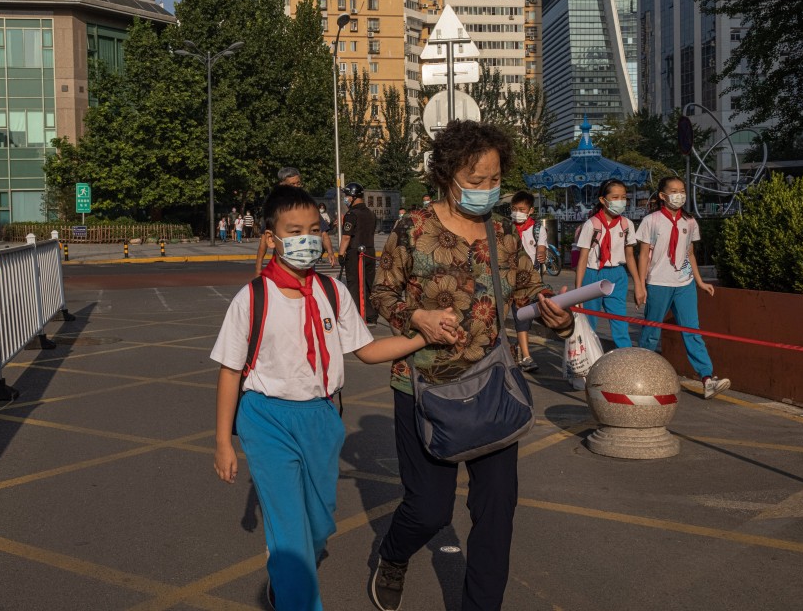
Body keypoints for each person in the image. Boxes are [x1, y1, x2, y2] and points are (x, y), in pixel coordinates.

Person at [211, 185, 457, 611]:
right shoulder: (251, 299)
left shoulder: (331, 293)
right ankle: (293, 586)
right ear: (271, 237)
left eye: (312, 229)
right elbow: (231, 371)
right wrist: (222, 442)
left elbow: (367, 351)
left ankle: (287, 572)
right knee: (291, 537)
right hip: (266, 419)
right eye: (294, 231)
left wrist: (421, 336)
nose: (306, 239)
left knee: (320, 523)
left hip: (323, 417)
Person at [369, 120, 575, 611]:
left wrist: (555, 314)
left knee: (497, 510)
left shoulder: (501, 231)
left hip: (491, 386)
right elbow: (382, 291)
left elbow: (527, 289)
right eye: (476, 180)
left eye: (495, 179)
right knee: (428, 510)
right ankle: (395, 554)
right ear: (446, 175)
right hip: (421, 386)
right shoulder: (412, 228)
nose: (488, 190)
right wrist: (415, 315)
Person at [636, 176, 731, 399]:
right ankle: (639, 374)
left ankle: (707, 378)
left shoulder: (689, 222)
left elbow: (689, 253)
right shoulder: (651, 221)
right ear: (662, 195)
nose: (679, 195)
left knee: (692, 330)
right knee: (651, 332)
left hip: (684, 283)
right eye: (674, 191)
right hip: (658, 282)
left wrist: (698, 281)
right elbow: (643, 255)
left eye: (682, 190)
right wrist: (640, 285)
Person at [574, 179, 641, 348]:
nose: (621, 201)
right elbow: (582, 259)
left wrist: (639, 284)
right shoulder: (591, 224)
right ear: (603, 200)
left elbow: (630, 256)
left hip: (617, 275)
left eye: (624, 197)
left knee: (620, 322)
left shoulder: (627, 224)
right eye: (615, 197)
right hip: (592, 274)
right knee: (589, 323)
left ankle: (626, 360)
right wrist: (578, 292)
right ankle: (589, 361)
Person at [256, 167, 337, 275]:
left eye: (298, 184)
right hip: (282, 266)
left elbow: (323, 234)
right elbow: (263, 243)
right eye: (292, 184)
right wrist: (258, 269)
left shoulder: (308, 207)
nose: (296, 187)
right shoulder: (274, 209)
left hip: (308, 266)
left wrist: (330, 252)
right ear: (282, 185)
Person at [509, 190, 547, 371]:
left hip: (529, 282)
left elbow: (542, 249)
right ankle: (525, 355)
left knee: (524, 317)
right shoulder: (505, 228)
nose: (517, 213)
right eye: (514, 209)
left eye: (522, 209)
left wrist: (542, 254)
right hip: (508, 279)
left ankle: (521, 350)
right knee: (519, 317)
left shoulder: (538, 229)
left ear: (530, 210)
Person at [338, 182, 378, 327]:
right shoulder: (370, 213)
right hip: (370, 251)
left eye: (347, 196)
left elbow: (346, 237)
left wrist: (341, 254)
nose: (346, 198)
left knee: (354, 283)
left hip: (355, 253)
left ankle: (357, 316)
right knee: (368, 283)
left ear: (354, 197)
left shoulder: (351, 214)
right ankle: (371, 315)